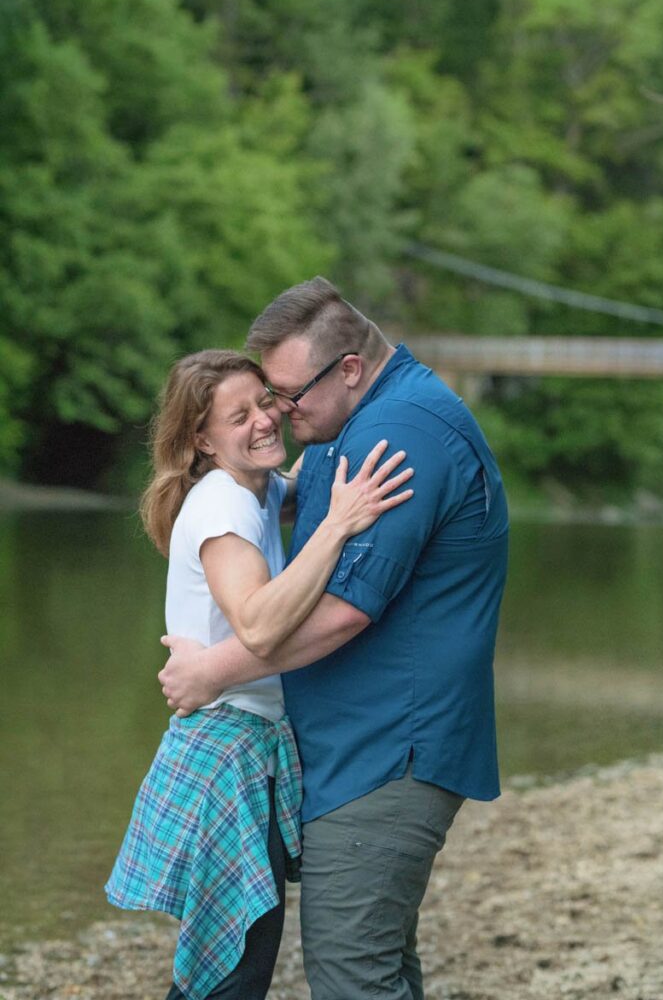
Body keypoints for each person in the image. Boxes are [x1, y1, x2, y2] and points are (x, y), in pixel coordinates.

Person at [159, 279, 509, 1000]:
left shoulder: (398, 434)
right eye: (264, 399)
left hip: (390, 752)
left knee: (353, 974)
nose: (280, 412)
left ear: (348, 368)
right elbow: (278, 504)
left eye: (286, 394)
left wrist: (212, 671)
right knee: (377, 966)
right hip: (361, 749)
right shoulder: (344, 424)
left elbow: (347, 611)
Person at [105, 348, 414, 1000]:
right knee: (230, 973)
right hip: (225, 756)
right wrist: (337, 525)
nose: (263, 421)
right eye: (237, 415)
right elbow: (260, 626)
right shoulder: (221, 508)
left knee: (234, 963)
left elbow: (299, 475)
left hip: (246, 747)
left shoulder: (254, 488)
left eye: (265, 402)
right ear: (201, 439)